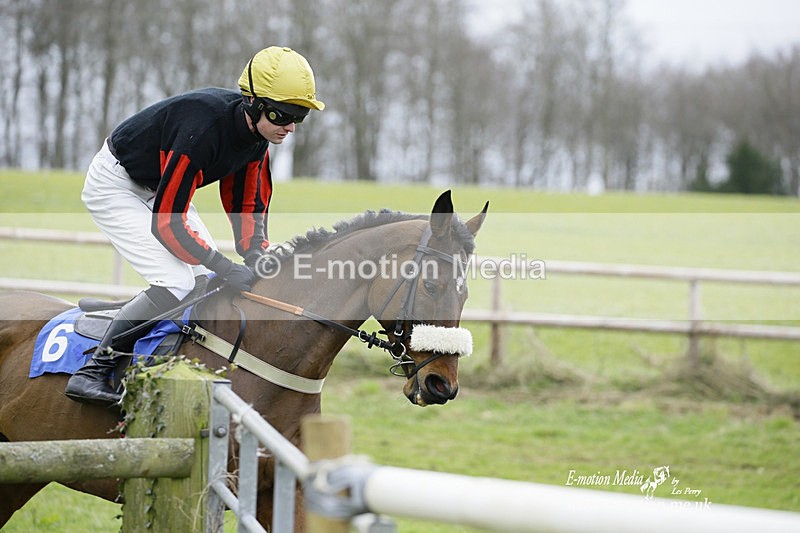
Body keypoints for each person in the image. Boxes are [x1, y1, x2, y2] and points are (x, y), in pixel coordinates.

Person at [65, 46, 325, 406]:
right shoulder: (202, 129)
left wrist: (257, 258)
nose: (291, 127)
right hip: (116, 185)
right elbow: (168, 225)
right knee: (177, 282)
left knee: (202, 280)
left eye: (301, 117)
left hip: (161, 186)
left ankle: (128, 310)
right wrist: (223, 263)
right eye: (284, 115)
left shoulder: (256, 139)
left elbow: (246, 205)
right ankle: (94, 370)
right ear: (253, 104)